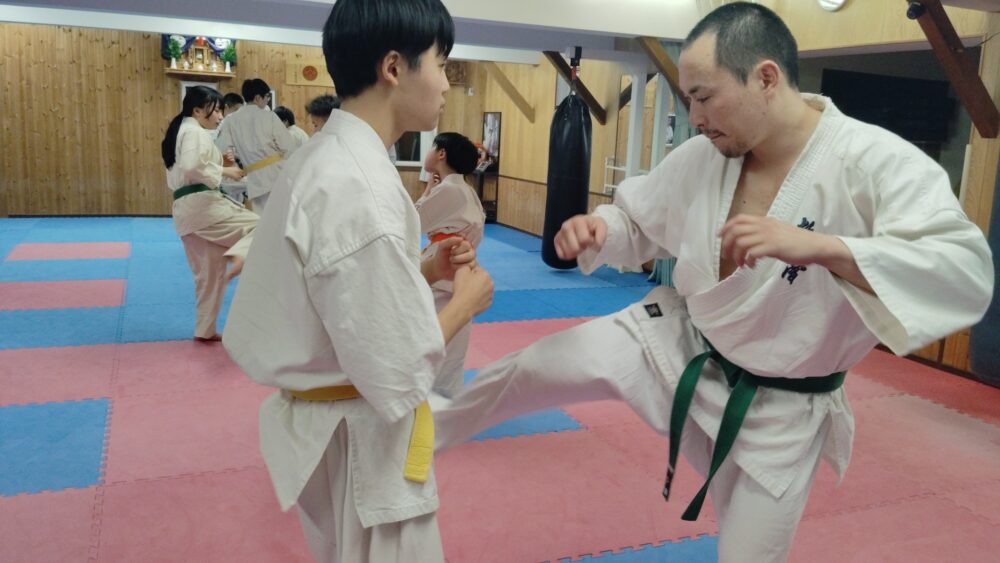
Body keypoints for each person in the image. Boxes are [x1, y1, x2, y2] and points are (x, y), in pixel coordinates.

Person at [431, 3, 994, 562]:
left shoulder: (875, 162)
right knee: (533, 367)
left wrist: (825, 248)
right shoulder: (705, 155)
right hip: (678, 343)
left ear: (765, 78)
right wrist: (601, 229)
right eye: (689, 99)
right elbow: (639, 220)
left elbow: (963, 270)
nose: (695, 117)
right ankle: (422, 429)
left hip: (781, 410)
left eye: (703, 96)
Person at [221, 1, 494, 561]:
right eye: (441, 64)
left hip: (330, 423)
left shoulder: (327, 156)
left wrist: (425, 269)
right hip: (363, 442)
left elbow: (338, 292)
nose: (447, 84)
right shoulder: (359, 183)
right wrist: (464, 303)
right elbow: (396, 368)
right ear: (393, 68)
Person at [161, 85, 258, 343]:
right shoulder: (194, 131)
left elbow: (193, 168)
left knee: (209, 277)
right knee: (263, 226)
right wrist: (226, 170)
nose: (220, 116)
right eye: (215, 110)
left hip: (187, 213)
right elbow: (192, 167)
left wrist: (221, 164)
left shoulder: (182, 131)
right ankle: (241, 253)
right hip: (204, 208)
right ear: (197, 110)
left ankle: (204, 330)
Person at [416, 132, 486, 397]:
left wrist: (428, 191)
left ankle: (435, 403)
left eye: (432, 147)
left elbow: (413, 222)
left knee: (436, 347)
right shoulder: (462, 188)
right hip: (456, 269)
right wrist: (429, 190)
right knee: (450, 351)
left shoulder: (450, 189)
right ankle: (443, 401)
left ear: (441, 153)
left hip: (445, 270)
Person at [215, 78, 296, 214]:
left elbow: (222, 148)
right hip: (277, 173)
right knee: (282, 216)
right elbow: (288, 146)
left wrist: (235, 162)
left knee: (262, 218)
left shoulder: (231, 120)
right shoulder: (269, 117)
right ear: (258, 97)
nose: (267, 101)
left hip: (254, 177)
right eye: (266, 98)